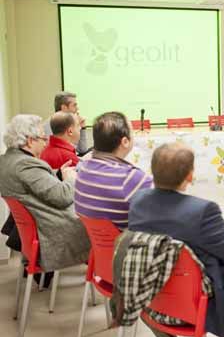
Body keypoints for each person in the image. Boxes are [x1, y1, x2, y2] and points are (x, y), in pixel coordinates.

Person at [129, 142, 224, 337]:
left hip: (150, 298)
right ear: (190, 176)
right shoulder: (201, 211)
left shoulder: (137, 201)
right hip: (197, 306)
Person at [0, 114, 89, 271]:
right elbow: (63, 197)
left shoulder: (8, 160)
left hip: (37, 231)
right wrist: (71, 179)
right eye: (42, 138)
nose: (46, 143)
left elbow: (35, 182)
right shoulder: (26, 165)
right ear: (29, 141)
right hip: (55, 233)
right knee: (108, 226)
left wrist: (60, 174)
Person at [74, 112, 152, 229]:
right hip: (127, 244)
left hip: (97, 245)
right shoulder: (129, 178)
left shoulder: (83, 168)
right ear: (125, 142)